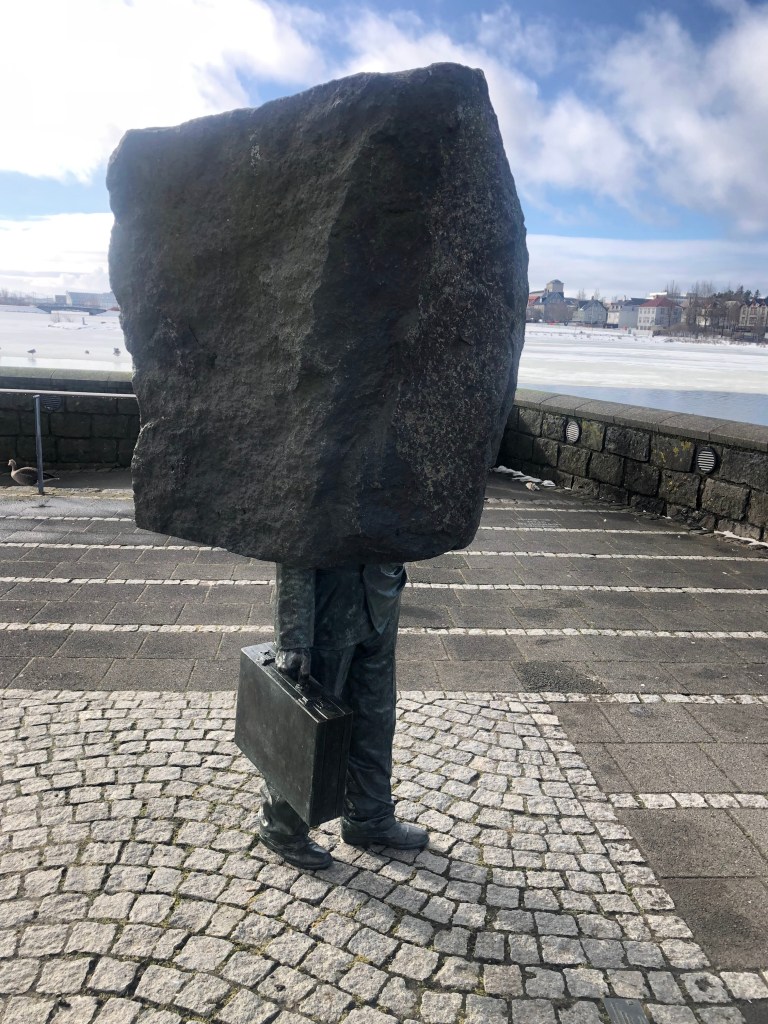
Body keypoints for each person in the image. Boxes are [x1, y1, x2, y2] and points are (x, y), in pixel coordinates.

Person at [258, 562, 429, 869]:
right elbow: (294, 546)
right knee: (308, 723)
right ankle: (281, 826)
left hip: (380, 598)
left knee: (375, 718)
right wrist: (293, 634)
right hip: (327, 604)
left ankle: (369, 816)